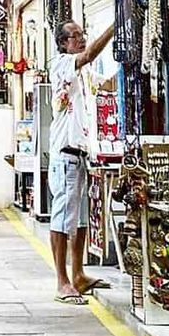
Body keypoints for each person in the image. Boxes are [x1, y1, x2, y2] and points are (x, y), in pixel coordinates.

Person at [49, 19, 113, 305]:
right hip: (66, 154)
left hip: (83, 154)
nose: (80, 40)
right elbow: (87, 56)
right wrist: (114, 27)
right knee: (63, 219)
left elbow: (108, 84)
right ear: (63, 44)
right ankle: (62, 280)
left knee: (83, 219)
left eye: (81, 35)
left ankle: (78, 273)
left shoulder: (84, 74)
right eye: (74, 37)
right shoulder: (62, 64)